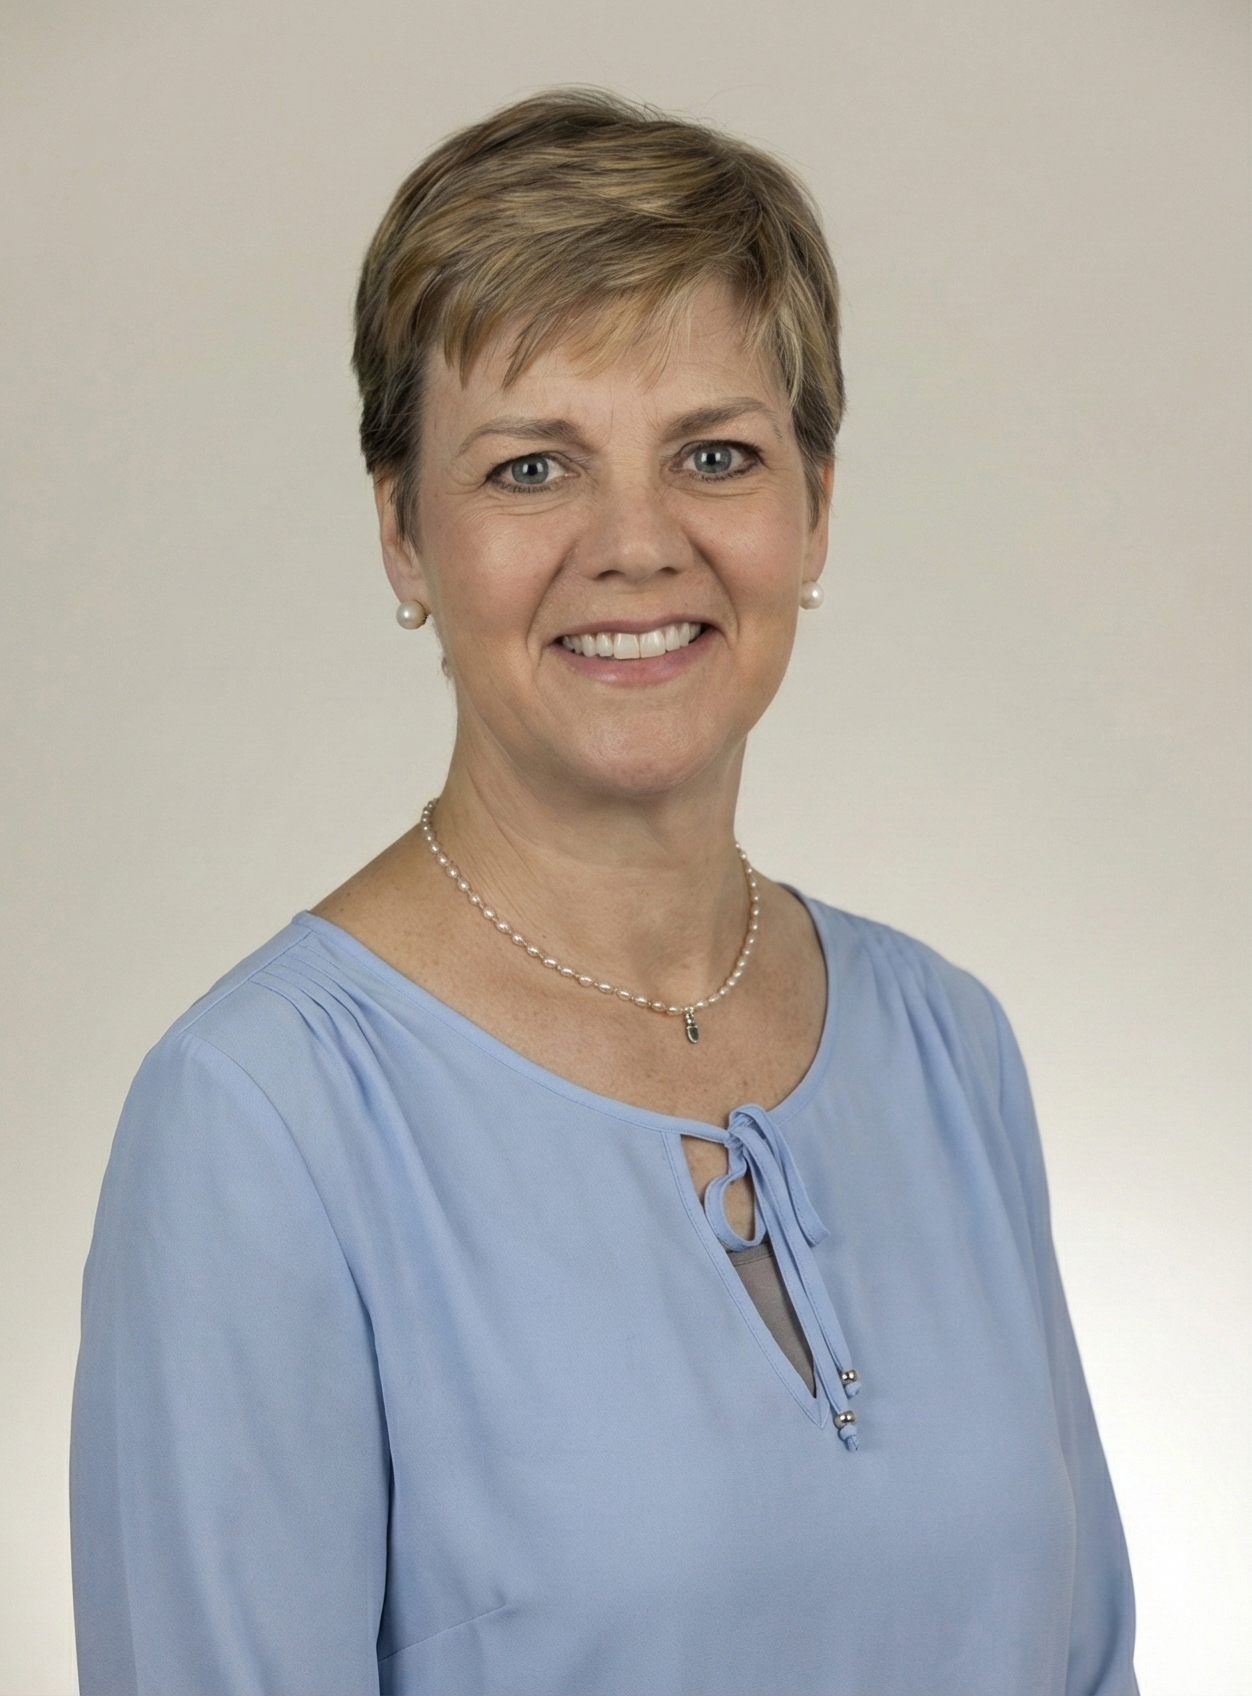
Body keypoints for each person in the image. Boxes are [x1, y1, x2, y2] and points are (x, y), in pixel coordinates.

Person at [70, 90, 1138, 1696]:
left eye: (714, 454)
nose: (637, 543)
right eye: (531, 468)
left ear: (814, 508)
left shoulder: (949, 1049)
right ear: (402, 535)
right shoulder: (259, 1124)